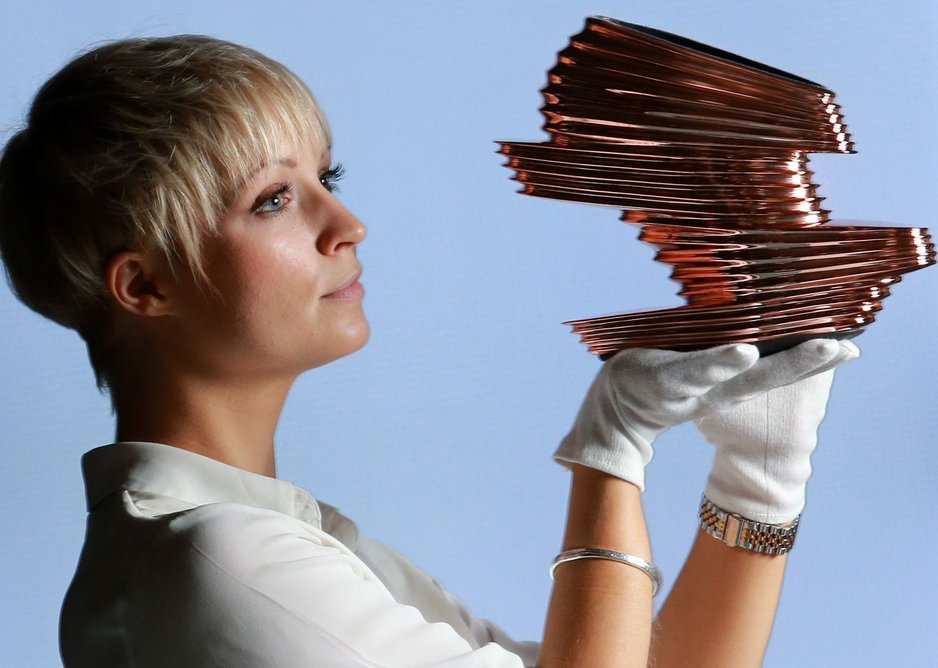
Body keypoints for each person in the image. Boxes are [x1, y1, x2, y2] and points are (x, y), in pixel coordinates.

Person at [0, 35, 858, 667]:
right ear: (145, 286)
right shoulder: (216, 565)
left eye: (324, 182)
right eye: (271, 200)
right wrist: (610, 455)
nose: (346, 225)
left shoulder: (278, 546)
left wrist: (758, 480)